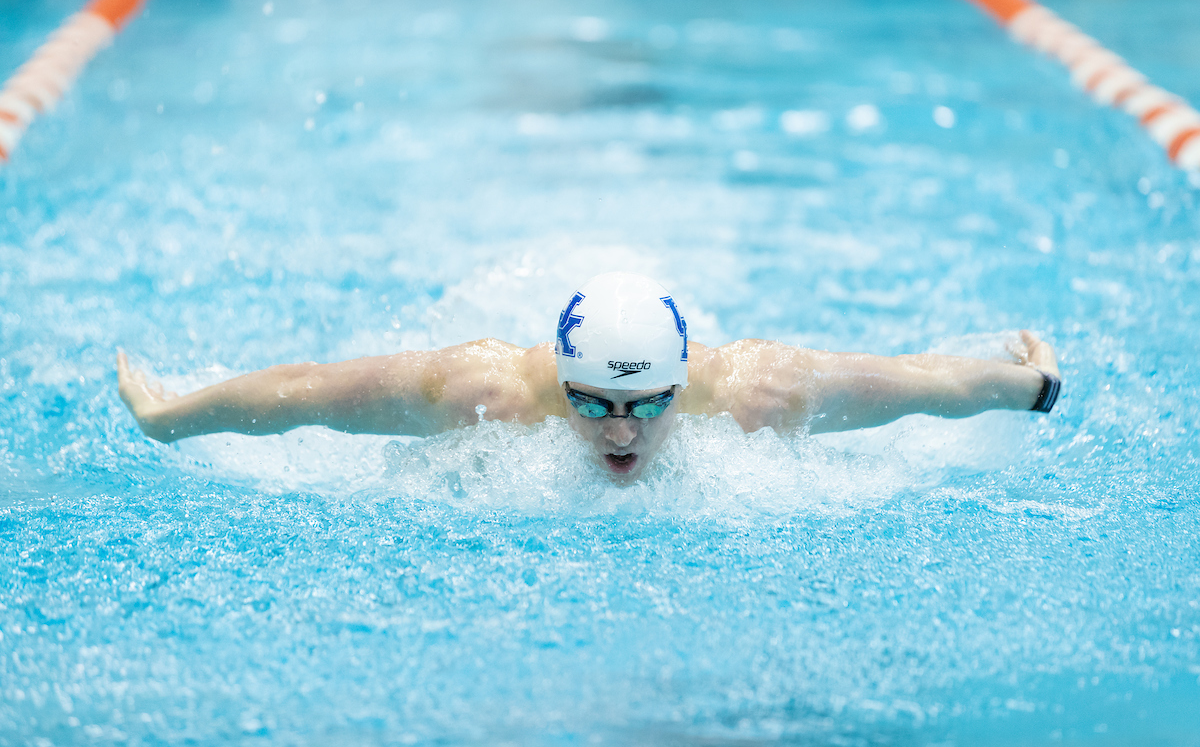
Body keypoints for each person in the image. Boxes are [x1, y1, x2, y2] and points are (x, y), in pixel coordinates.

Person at [118, 272, 1062, 484]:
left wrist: (1032, 386)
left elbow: (923, 381)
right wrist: (168, 419)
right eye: (593, 405)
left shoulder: (754, 394)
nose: (621, 433)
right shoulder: (484, 391)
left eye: (648, 405)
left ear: (681, 381)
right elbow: (303, 393)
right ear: (557, 383)